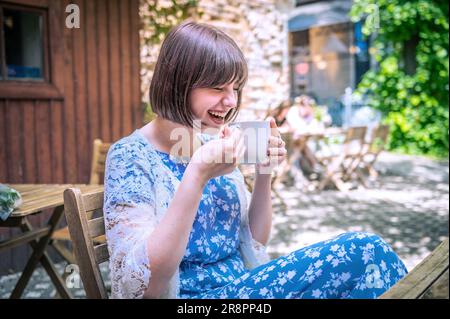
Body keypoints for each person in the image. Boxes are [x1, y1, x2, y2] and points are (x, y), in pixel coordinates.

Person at [104, 20, 407, 299]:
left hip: (246, 288)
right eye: (217, 87)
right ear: (177, 82)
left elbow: (253, 242)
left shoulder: (212, 142)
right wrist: (196, 176)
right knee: (365, 253)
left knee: (371, 260)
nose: (231, 101)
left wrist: (265, 173)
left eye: (235, 88)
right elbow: (142, 284)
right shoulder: (130, 157)